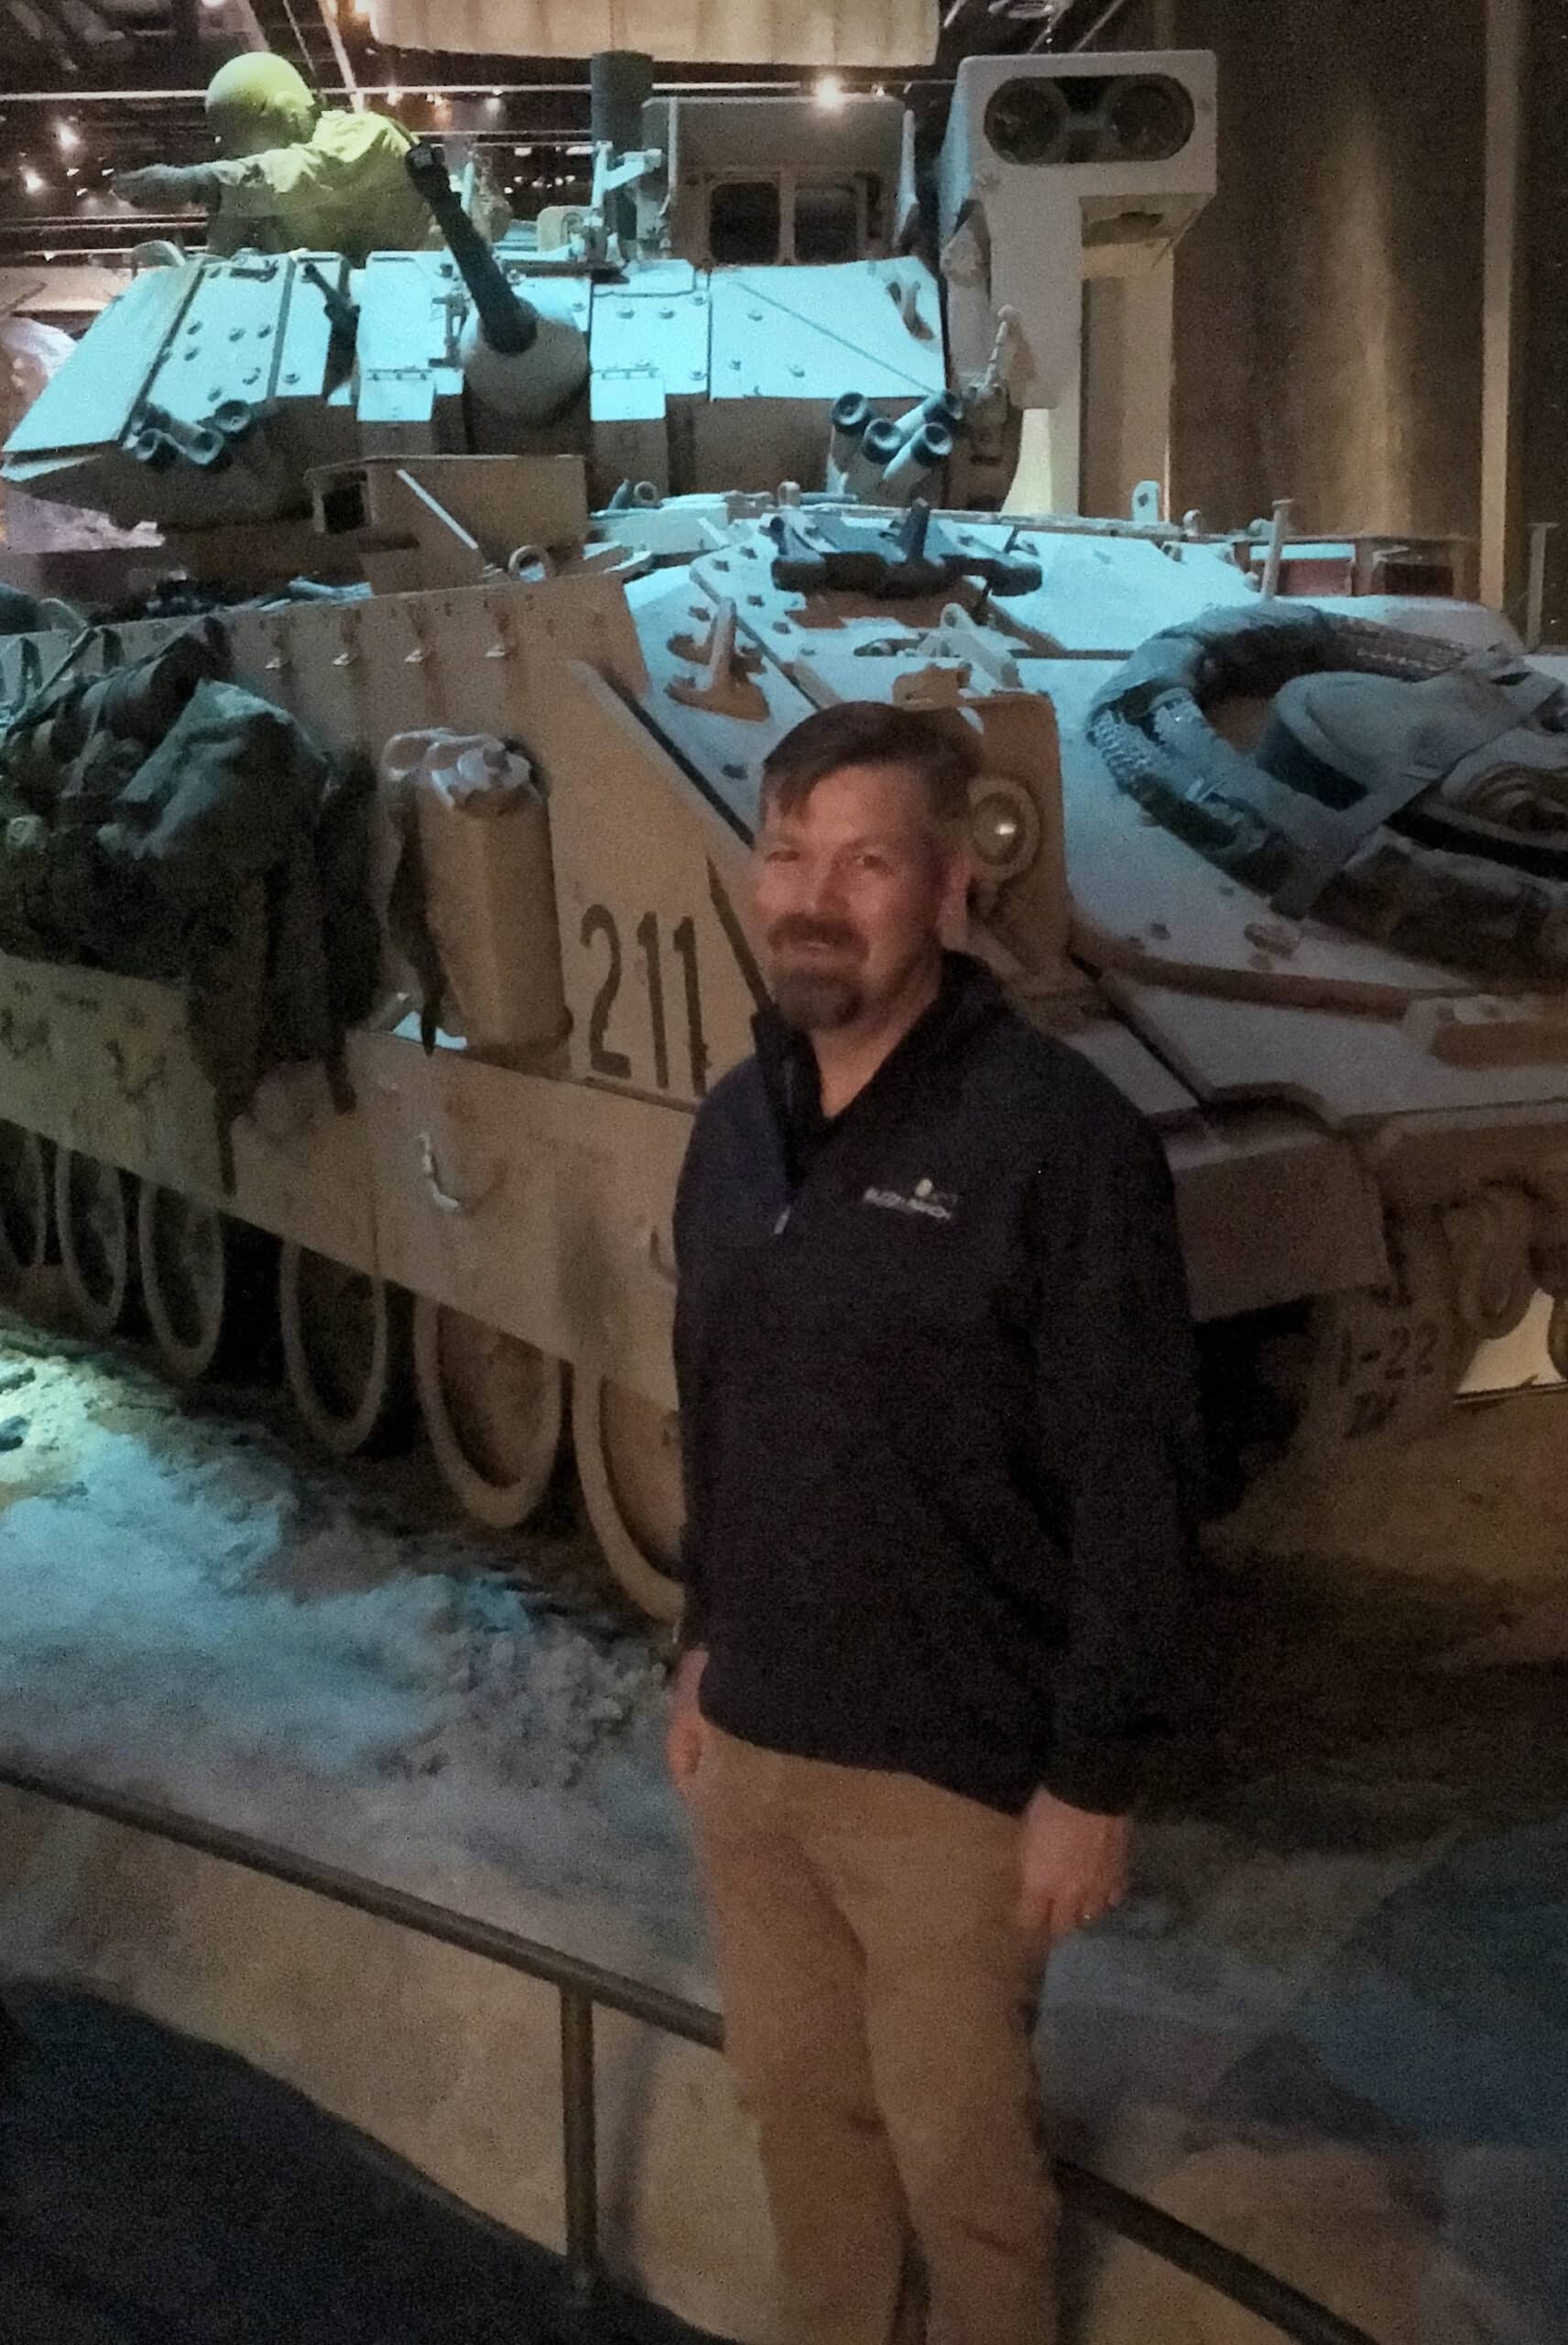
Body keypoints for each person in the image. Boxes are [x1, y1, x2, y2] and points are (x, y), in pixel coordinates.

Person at [666, 700, 1202, 2345]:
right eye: (787, 852)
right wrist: (701, 1646)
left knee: (966, 2172)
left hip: (954, 1789)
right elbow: (721, 1410)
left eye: (869, 861)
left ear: (954, 888)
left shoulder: (1062, 1143)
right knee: (800, 2124)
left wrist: (1090, 1782)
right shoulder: (736, 1123)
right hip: (756, 1755)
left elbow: (1138, 1476)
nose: (816, 897)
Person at [114, 53, 430, 267]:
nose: (244, 161)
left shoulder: (367, 136)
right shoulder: (257, 194)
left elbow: (298, 172)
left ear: (288, 114)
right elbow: (227, 257)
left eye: (247, 149)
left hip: (431, 281)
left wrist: (195, 183)